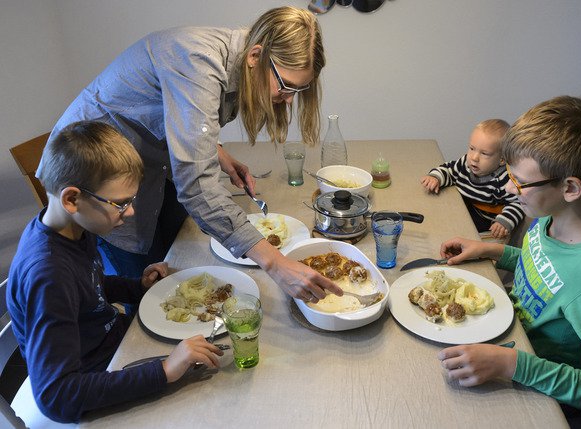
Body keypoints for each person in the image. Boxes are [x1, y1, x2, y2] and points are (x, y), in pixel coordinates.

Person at [38, 6, 342, 303]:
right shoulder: (199, 63)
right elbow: (196, 185)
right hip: (96, 174)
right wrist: (276, 264)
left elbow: (183, 119)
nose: (288, 101)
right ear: (255, 56)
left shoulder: (240, 60)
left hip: (147, 163)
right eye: (287, 86)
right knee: (153, 294)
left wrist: (217, 154)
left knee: (175, 263)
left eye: (297, 91)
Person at [7, 122, 224, 423]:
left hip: (115, 343)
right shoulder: (47, 275)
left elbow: (87, 288)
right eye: (120, 204)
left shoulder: (73, 227)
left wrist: (136, 287)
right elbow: (57, 397)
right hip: (95, 378)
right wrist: (164, 371)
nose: (131, 212)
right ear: (72, 199)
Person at [437, 96, 581, 424]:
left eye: (520, 182)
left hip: (548, 398)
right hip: (511, 343)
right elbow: (543, 271)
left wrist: (511, 365)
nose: (510, 191)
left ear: (570, 187)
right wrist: (493, 251)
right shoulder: (549, 217)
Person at [421, 119, 524, 239]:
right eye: (472, 148)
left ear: (502, 160)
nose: (474, 157)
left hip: (483, 222)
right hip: (461, 208)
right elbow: (449, 170)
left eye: (484, 153)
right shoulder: (466, 163)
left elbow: (518, 203)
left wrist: (504, 221)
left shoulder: (504, 181)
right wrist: (435, 178)